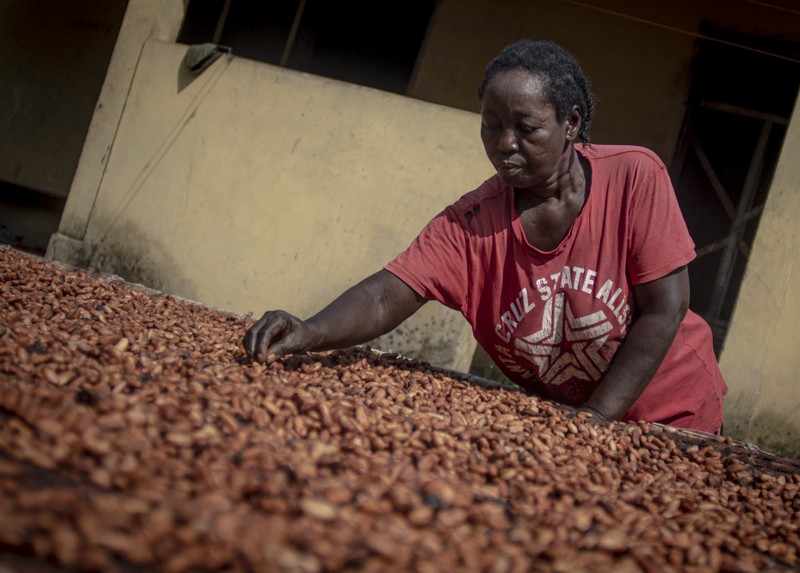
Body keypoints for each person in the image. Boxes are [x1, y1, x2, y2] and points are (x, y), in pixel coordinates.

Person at [244, 40, 727, 433]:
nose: (504, 144)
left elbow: (666, 307)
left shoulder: (633, 177)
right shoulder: (472, 223)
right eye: (491, 126)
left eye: (526, 127)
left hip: (675, 416)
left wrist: (593, 424)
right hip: (573, 429)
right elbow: (386, 294)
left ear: (571, 123)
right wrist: (311, 332)